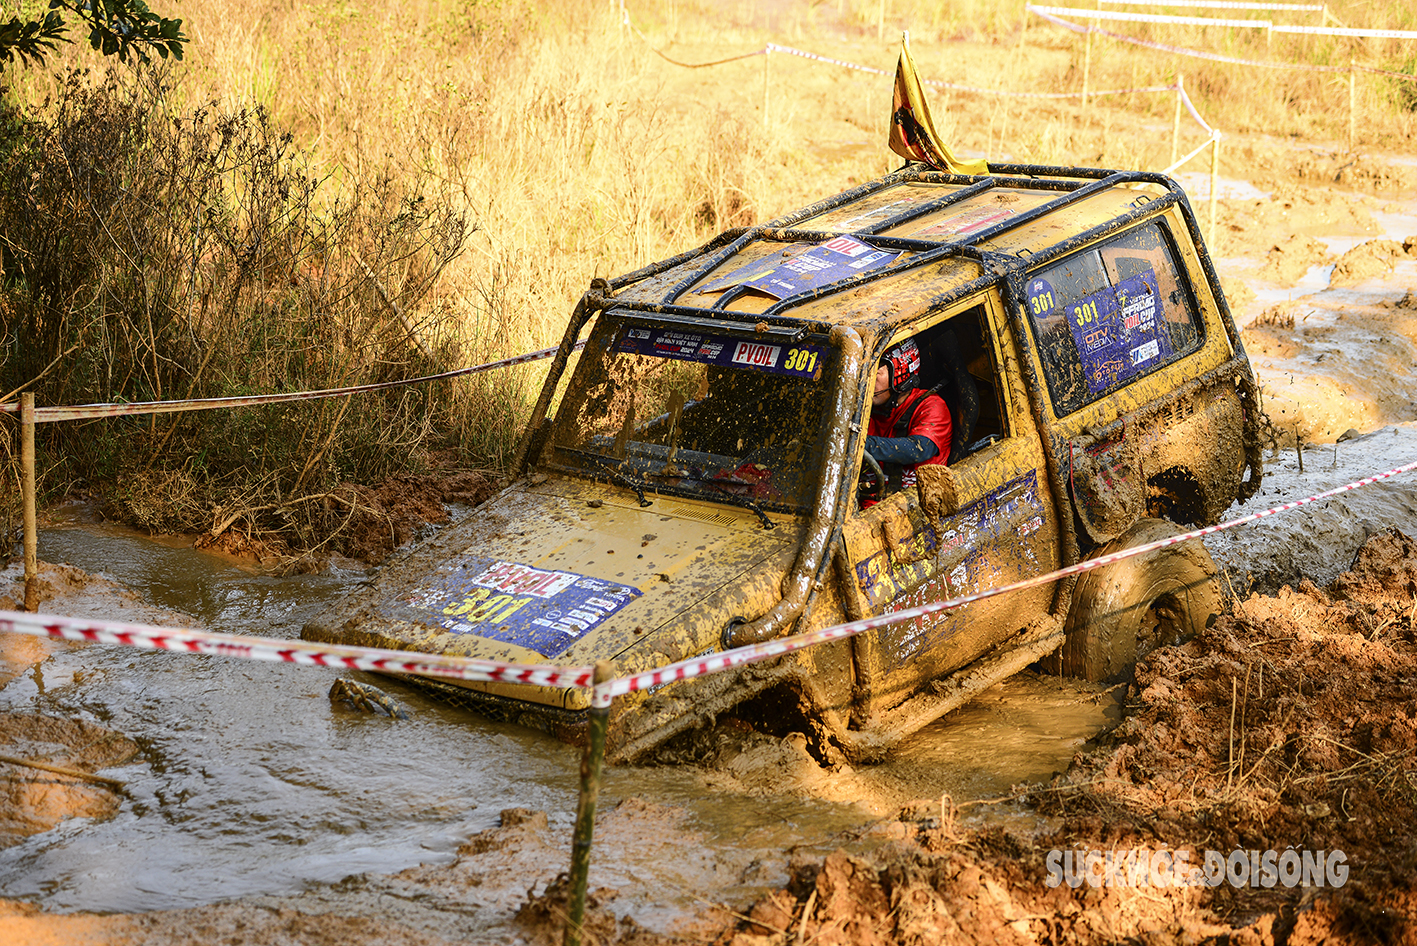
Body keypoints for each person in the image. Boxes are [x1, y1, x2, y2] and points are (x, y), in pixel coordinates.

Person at [863, 337, 951, 499]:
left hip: (913, 506)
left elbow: (918, 449)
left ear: (901, 374)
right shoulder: (863, 409)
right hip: (867, 500)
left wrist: (858, 444)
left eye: (875, 371)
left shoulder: (932, 406)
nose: (866, 379)